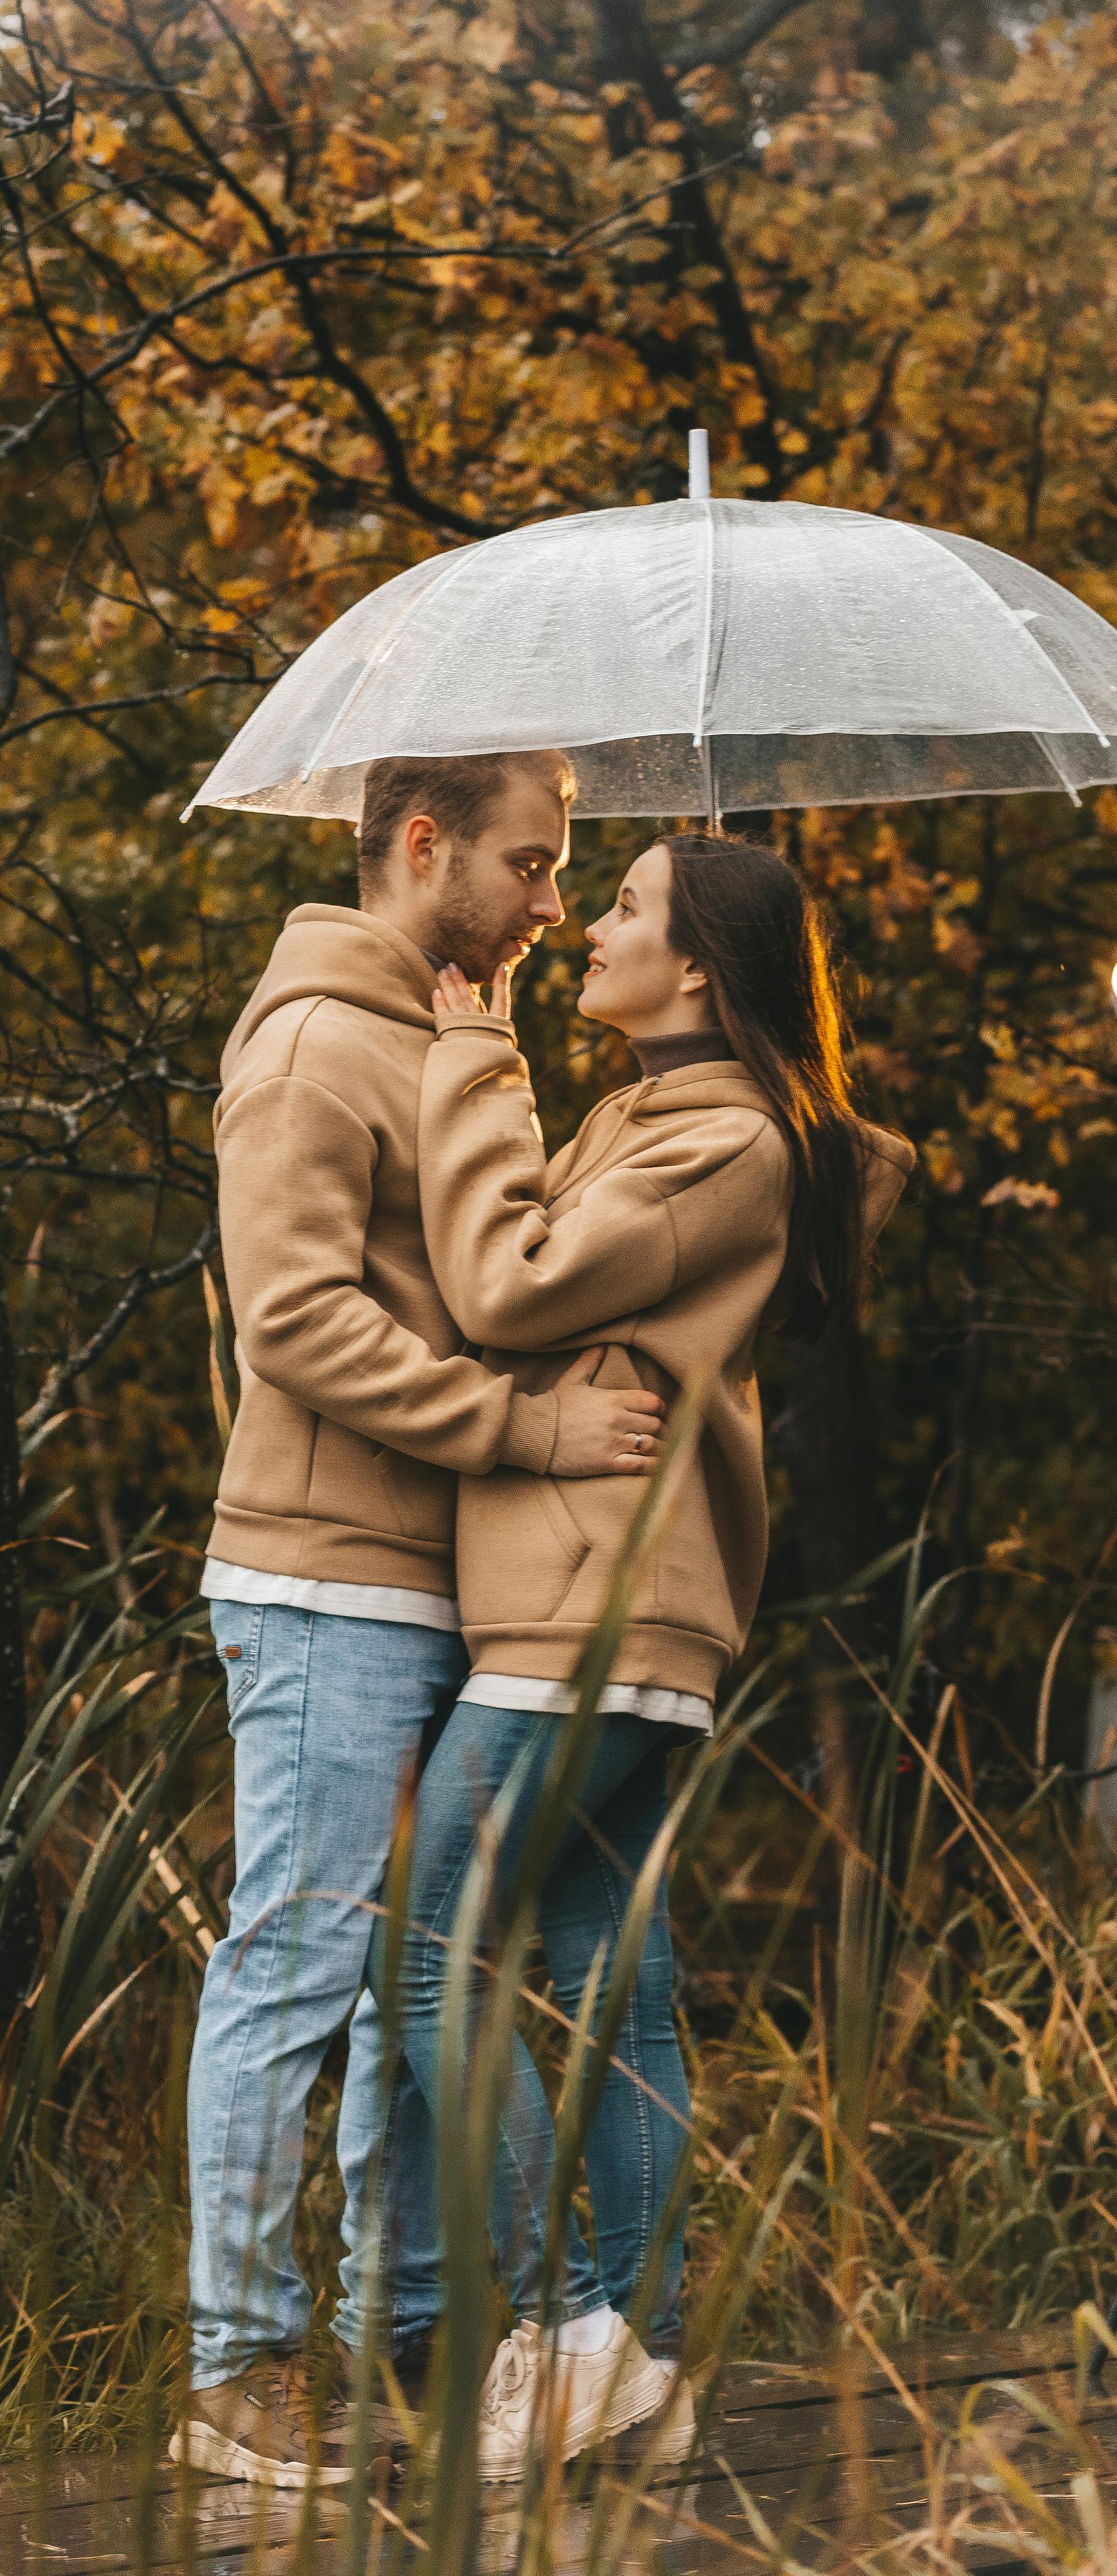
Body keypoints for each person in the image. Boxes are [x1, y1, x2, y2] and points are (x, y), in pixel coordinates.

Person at [386, 828, 913, 2479]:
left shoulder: (719, 1138)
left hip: (590, 1593)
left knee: (423, 1952)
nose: (585, 927)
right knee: (617, 1982)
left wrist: (474, 1051)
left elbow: (503, 1283)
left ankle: (567, 2335)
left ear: (693, 965)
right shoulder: (657, 1115)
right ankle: (642, 2359)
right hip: (607, 1596)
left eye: (619, 905)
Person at [170, 752, 670, 2491]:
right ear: (420, 843)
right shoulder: (313, 1043)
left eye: (562, 872)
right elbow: (295, 1321)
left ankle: (411, 2338)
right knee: (295, 1966)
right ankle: (237, 2369)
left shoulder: (449, 1031)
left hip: (431, 1578)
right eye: (528, 866)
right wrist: (527, 1431)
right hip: (325, 1580)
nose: (551, 901)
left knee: (411, 1982)